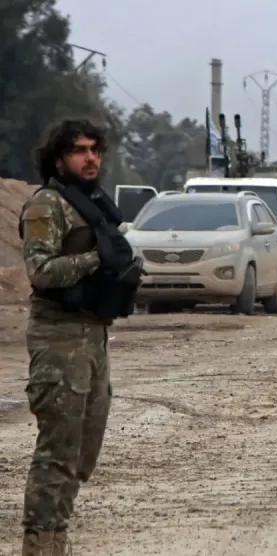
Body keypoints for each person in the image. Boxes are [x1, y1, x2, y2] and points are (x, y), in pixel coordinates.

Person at [19, 119, 144, 555]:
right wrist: (96, 260)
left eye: (95, 149)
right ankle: (40, 544)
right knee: (58, 450)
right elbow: (40, 271)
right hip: (58, 337)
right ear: (59, 158)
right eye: (79, 150)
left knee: (84, 451)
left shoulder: (91, 204)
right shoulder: (47, 205)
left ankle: (60, 538)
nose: (90, 157)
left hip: (94, 336)